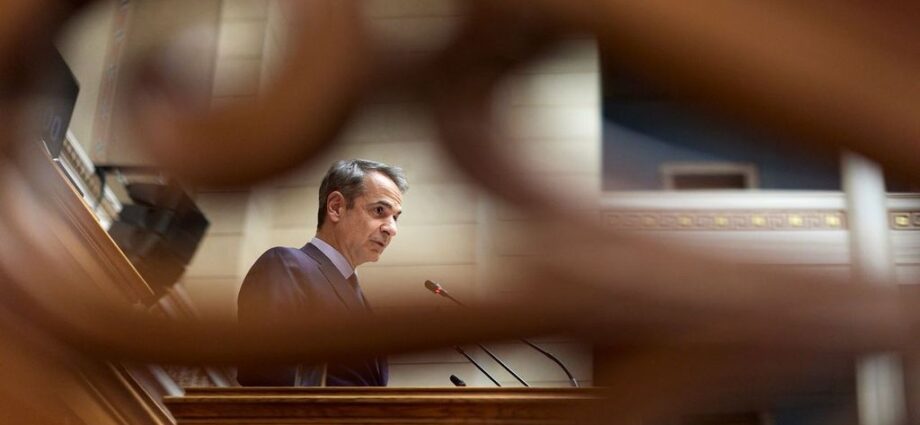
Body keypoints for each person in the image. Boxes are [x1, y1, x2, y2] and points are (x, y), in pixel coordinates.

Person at [236, 159, 408, 386]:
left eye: (395, 217)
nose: (392, 229)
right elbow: (264, 374)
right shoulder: (285, 265)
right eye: (379, 211)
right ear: (336, 207)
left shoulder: (362, 301)